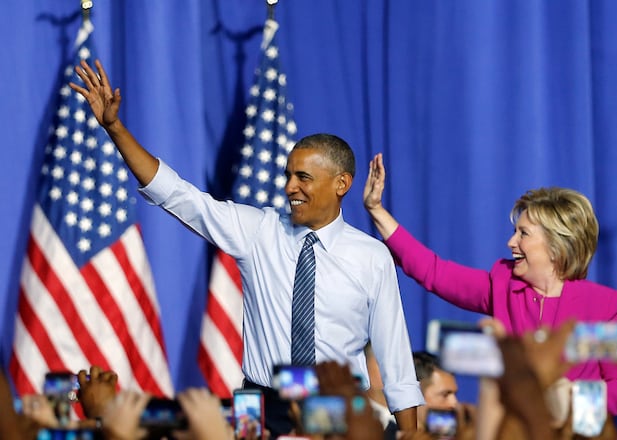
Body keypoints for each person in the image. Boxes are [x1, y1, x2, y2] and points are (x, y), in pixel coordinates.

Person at [70, 60, 423, 438]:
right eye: (288, 175)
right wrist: (115, 128)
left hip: (339, 415)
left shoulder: (371, 257)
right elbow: (177, 195)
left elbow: (396, 362)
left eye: (303, 177)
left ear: (341, 184)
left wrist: (410, 434)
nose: (290, 187)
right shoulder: (259, 231)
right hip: (262, 411)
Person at [362, 153, 617, 415]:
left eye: (524, 234)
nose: (511, 242)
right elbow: (433, 272)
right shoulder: (504, 286)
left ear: (557, 246)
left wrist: (571, 404)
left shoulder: (601, 306)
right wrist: (376, 211)